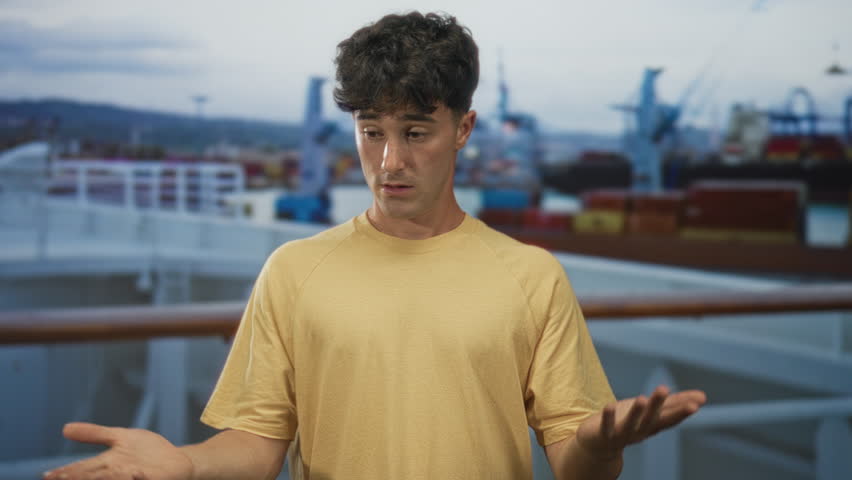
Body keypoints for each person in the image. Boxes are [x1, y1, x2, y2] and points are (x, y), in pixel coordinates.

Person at [45, 11, 706, 480]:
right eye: (371, 131)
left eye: (416, 132)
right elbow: (257, 445)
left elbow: (573, 459)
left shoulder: (532, 276)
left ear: (464, 128)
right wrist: (185, 463)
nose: (389, 159)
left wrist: (597, 448)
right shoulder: (294, 271)